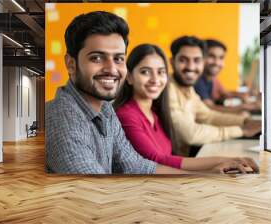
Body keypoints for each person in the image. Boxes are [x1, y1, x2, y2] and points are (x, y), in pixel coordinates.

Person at [45, 11, 251, 174]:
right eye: (97, 58)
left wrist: (211, 173)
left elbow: (136, 165)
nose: (111, 68)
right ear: (71, 64)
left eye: (118, 58)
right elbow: (92, 194)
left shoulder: (105, 109)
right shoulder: (64, 119)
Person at [114, 44, 258, 173]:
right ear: (129, 77)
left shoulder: (154, 112)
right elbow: (156, 160)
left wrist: (243, 125)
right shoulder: (127, 115)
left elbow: (208, 115)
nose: (155, 79)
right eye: (145, 72)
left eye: (161, 72)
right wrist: (218, 164)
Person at [168, 36, 262, 156]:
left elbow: (208, 116)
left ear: (202, 62)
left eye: (196, 60)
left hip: (185, 156)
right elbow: (190, 134)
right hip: (174, 162)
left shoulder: (188, 88)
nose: (191, 67)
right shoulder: (168, 89)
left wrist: (244, 121)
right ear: (172, 62)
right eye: (183, 60)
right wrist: (241, 130)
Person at [195, 39, 260, 112]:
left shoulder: (211, 78)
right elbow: (209, 109)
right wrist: (248, 107)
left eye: (221, 58)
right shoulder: (197, 79)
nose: (217, 62)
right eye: (211, 56)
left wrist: (241, 94)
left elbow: (224, 93)